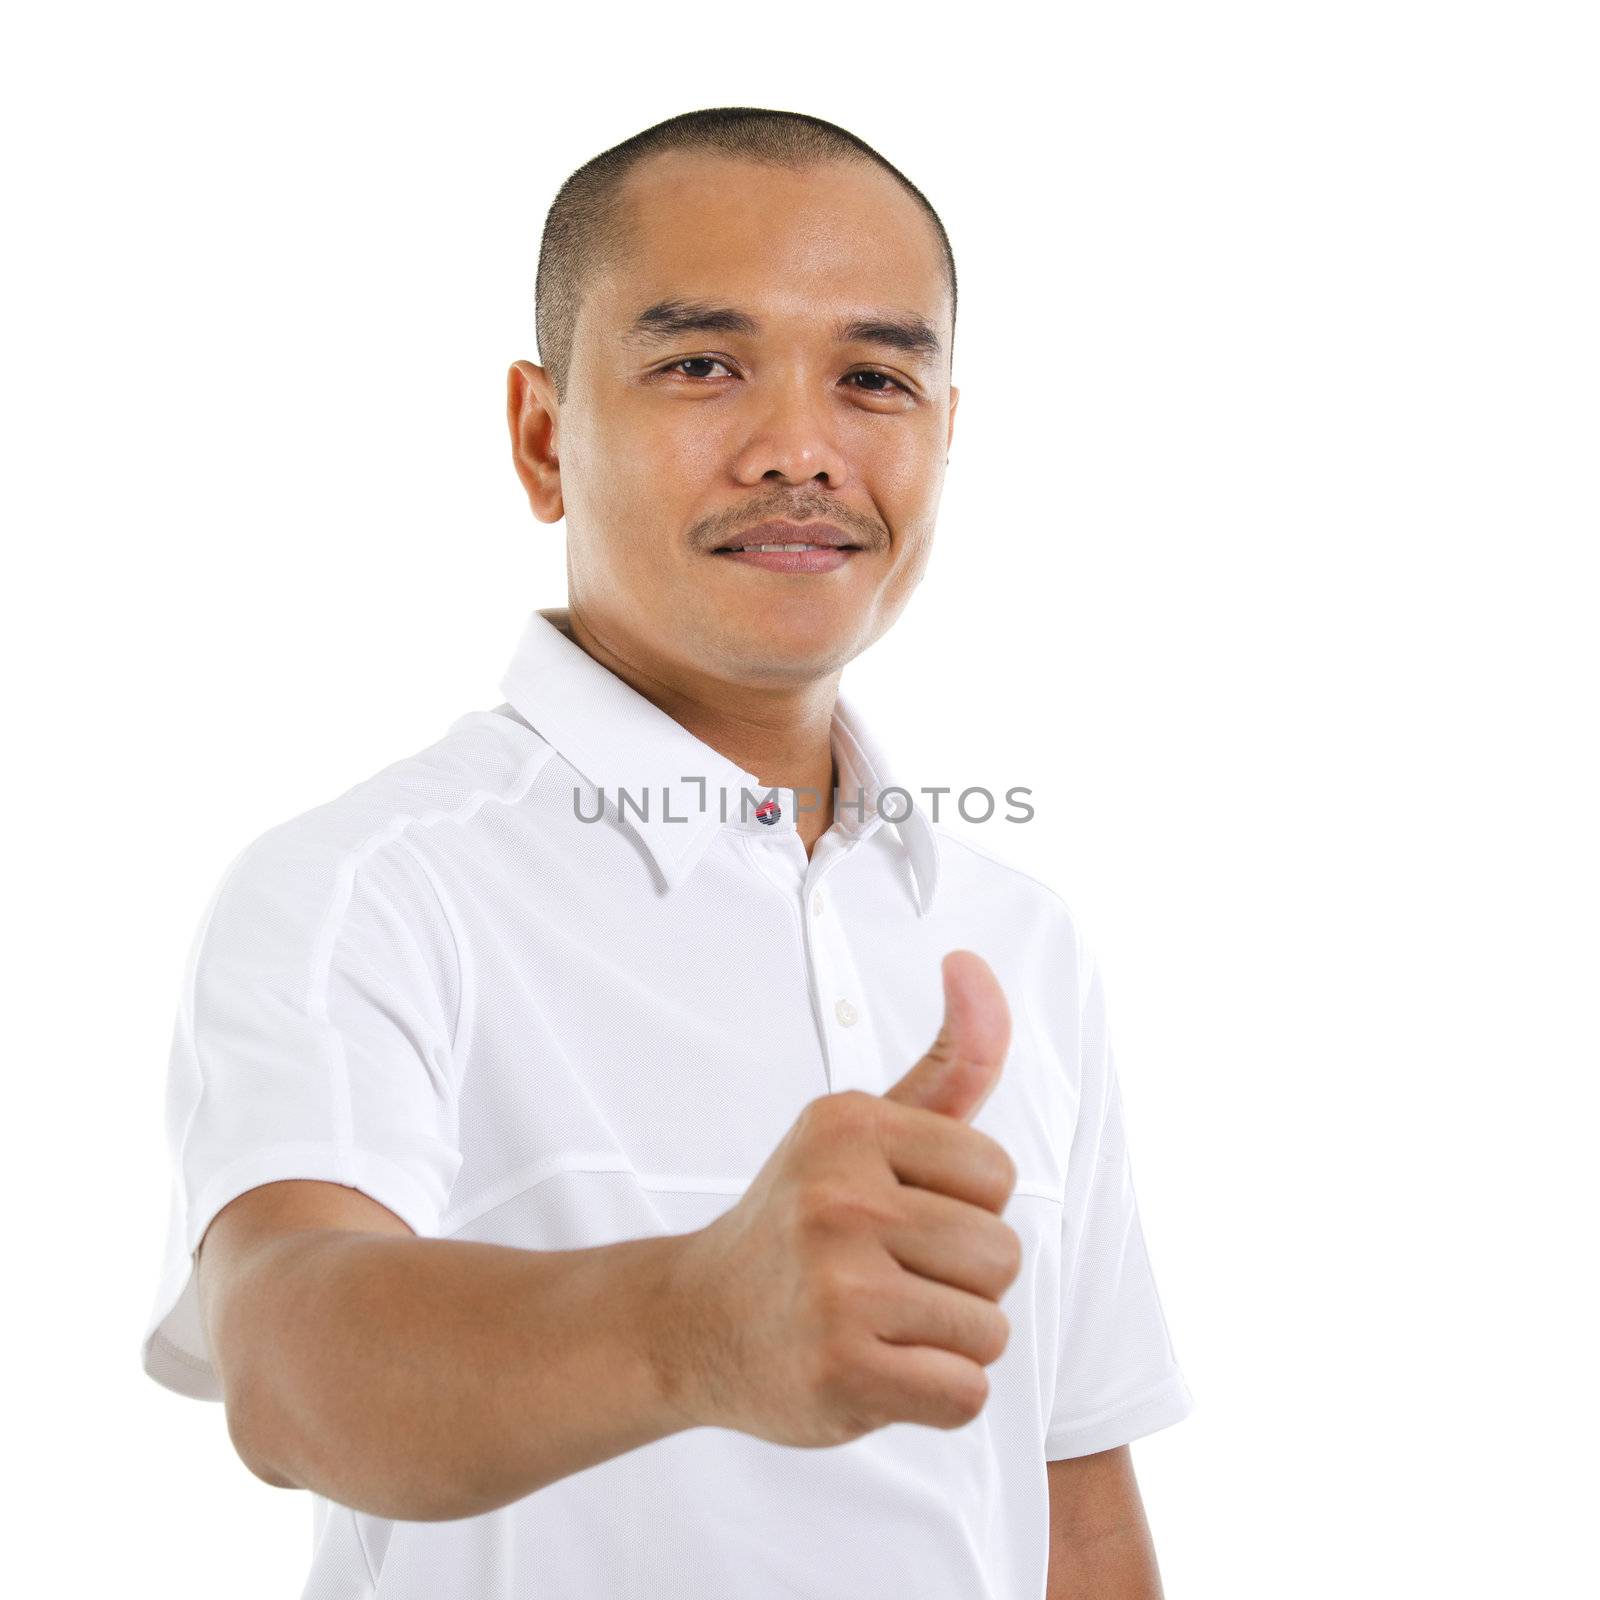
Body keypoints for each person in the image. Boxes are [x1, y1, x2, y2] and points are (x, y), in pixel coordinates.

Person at [140, 105, 1194, 1599]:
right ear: (541, 433)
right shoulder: (370, 889)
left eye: (876, 379)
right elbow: (288, 1367)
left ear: (947, 436)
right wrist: (694, 1324)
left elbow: (1073, 1507)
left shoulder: (1015, 940)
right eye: (703, 364)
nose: (799, 451)